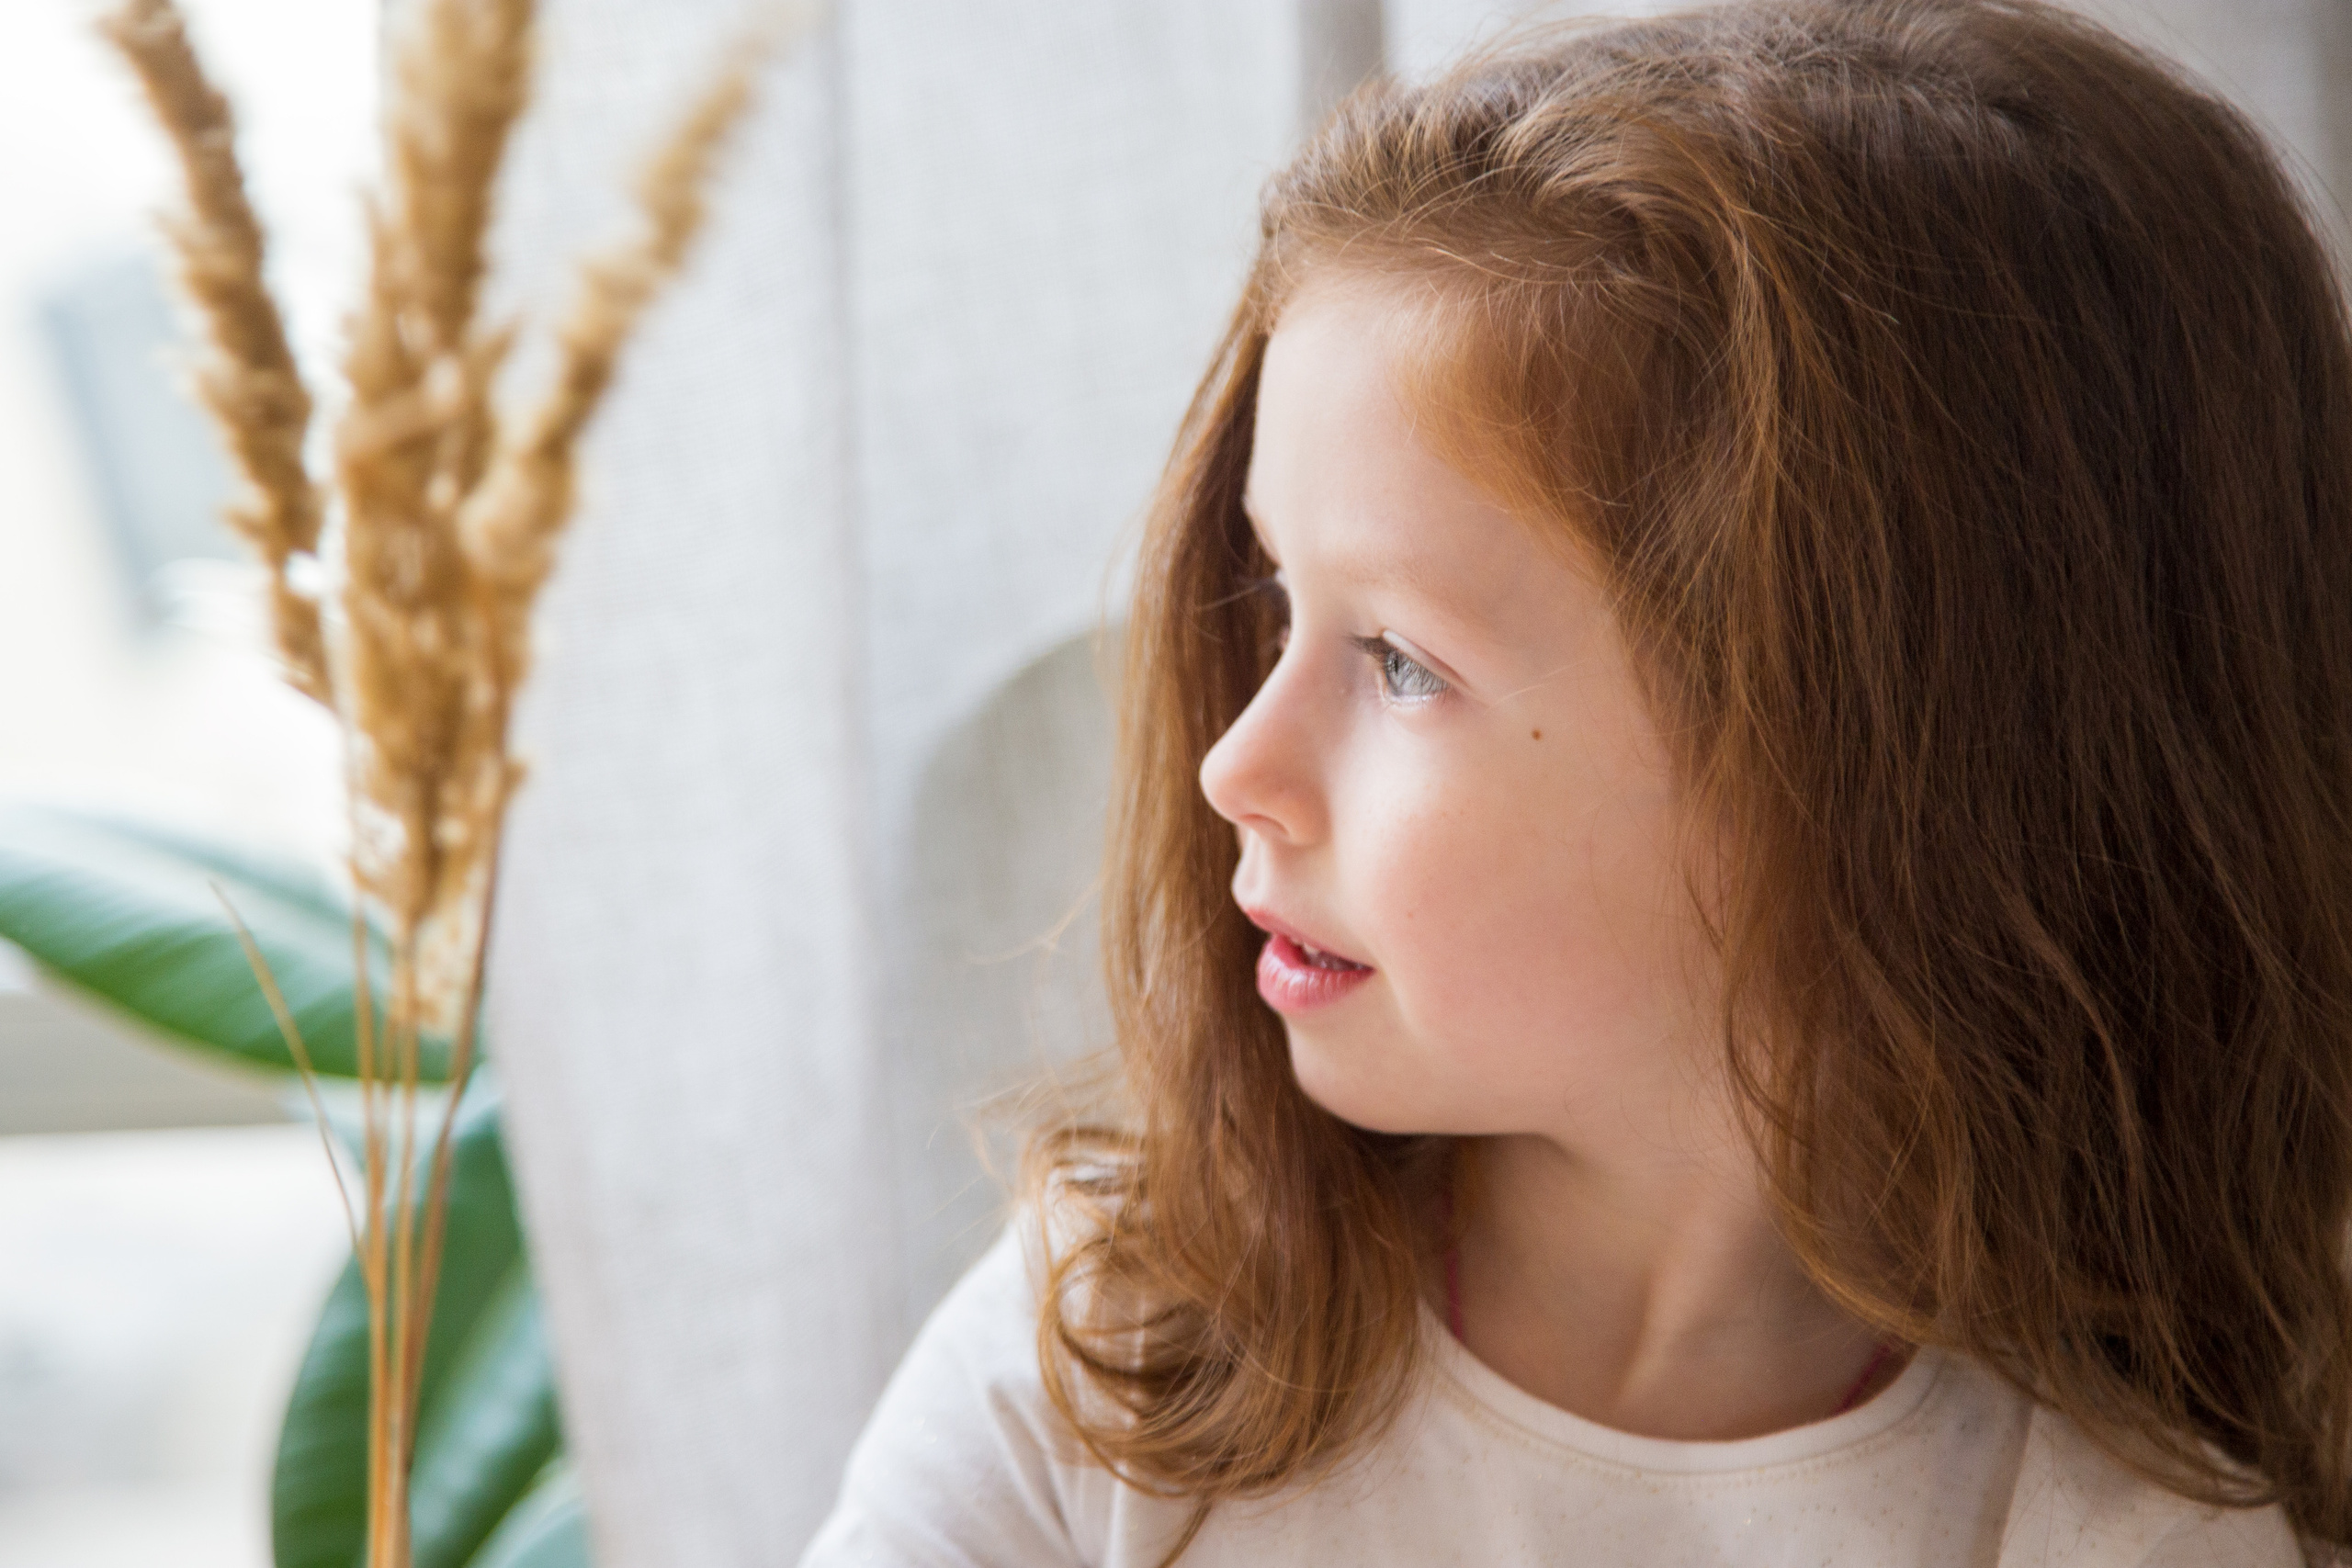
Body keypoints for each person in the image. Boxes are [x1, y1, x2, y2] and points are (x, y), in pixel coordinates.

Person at [801, 1, 2352, 1562]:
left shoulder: (2146, 1516)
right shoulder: (1119, 1351)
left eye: (1402, 662)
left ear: (1907, 778)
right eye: (1275, 598)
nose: (1234, 764)